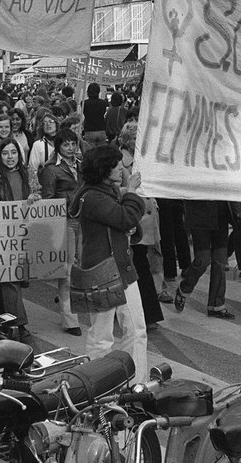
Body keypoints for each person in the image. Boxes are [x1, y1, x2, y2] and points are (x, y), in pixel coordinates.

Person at [68, 143, 148, 383]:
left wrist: (132, 230)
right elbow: (124, 217)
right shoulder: (92, 196)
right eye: (115, 164)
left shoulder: (107, 192)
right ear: (103, 169)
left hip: (121, 271)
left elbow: (126, 225)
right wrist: (132, 192)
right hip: (101, 274)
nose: (120, 167)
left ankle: (137, 384)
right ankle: (94, 387)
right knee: (101, 337)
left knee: (137, 330)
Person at [0, 138, 41, 339]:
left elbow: (38, 192)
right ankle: (19, 324)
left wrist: (35, 197)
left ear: (19, 154)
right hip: (1, 234)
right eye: (5, 153)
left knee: (13, 278)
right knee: (11, 277)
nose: (10, 157)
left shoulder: (28, 172)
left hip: (24, 231)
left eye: (13, 152)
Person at [117, 123, 164, 329]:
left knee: (147, 263)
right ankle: (146, 314)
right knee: (138, 266)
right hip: (133, 219)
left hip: (147, 217)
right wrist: (130, 190)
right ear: (129, 140)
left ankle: (148, 312)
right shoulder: (120, 163)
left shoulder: (143, 160)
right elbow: (115, 189)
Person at [40, 128, 84, 336]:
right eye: (66, 144)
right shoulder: (51, 169)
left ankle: (71, 303)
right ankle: (70, 319)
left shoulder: (82, 165)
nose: (70, 148)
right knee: (66, 272)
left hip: (84, 220)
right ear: (58, 147)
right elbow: (48, 199)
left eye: (73, 143)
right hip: (65, 221)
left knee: (80, 268)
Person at [174, 200, 239, 319]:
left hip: (221, 215)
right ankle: (185, 288)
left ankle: (216, 306)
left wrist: (237, 213)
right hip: (199, 215)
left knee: (220, 261)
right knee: (202, 261)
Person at [81, 83, 109, 147]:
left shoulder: (84, 103)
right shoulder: (103, 103)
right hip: (101, 129)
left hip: (89, 130)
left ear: (88, 91)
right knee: (101, 153)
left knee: (91, 153)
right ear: (99, 91)